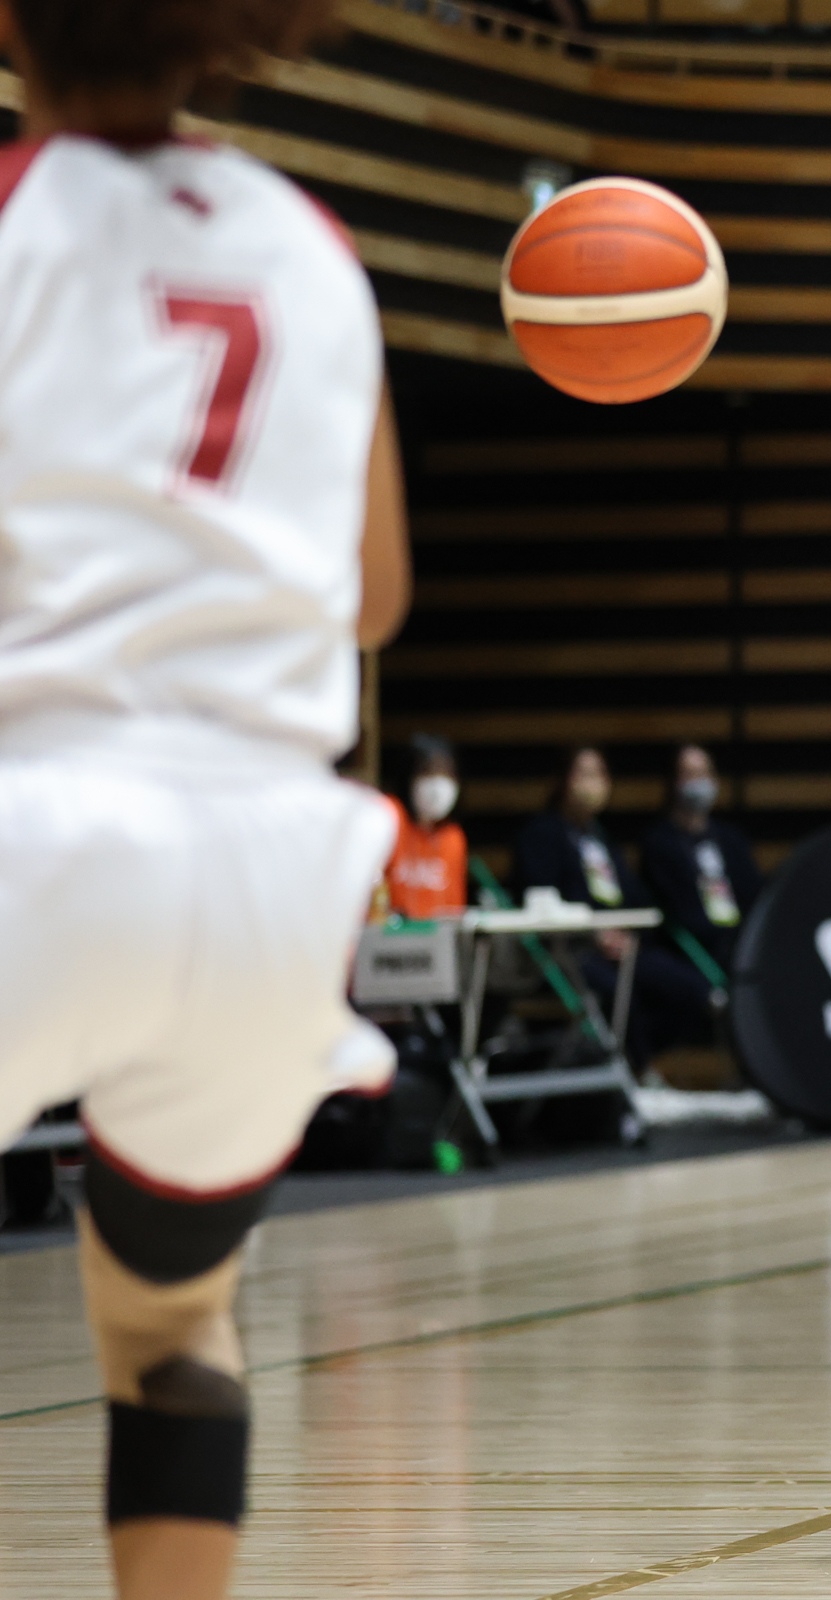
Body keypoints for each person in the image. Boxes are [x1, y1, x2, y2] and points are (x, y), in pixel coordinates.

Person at [0, 1, 411, 1595]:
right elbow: (374, 593)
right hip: (266, 871)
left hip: (42, 818)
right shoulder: (311, 245)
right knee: (170, 1319)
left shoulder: (19, 215)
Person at [514, 745, 710, 1067]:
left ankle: (639, 1062)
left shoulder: (600, 838)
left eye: (600, 774)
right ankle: (631, 1069)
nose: (593, 783)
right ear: (562, 781)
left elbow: (634, 896)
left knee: (693, 990)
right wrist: (594, 933)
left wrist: (630, 934)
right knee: (620, 992)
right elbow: (539, 899)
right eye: (584, 774)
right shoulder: (541, 834)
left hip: (622, 948)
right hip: (572, 950)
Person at [639, 743, 761, 1001]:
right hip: (691, 950)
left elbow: (753, 894)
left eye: (704, 773)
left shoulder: (731, 840)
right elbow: (673, 909)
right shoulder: (660, 843)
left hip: (737, 944)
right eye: (690, 774)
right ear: (674, 782)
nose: (699, 782)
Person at [379, 733, 467, 919]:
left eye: (447, 774)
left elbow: (454, 911)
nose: (437, 785)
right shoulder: (389, 816)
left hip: (435, 935)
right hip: (389, 933)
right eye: (428, 772)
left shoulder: (453, 838)